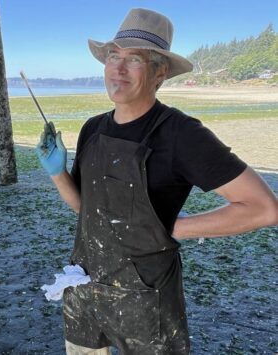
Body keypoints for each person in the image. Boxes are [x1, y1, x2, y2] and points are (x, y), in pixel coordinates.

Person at [36, 8, 278, 355]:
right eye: (112, 56)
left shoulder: (181, 134)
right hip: (85, 283)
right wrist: (57, 172)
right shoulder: (93, 128)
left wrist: (172, 227)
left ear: (160, 72)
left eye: (132, 59)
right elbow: (85, 210)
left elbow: (264, 208)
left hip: (146, 297)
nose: (117, 69)